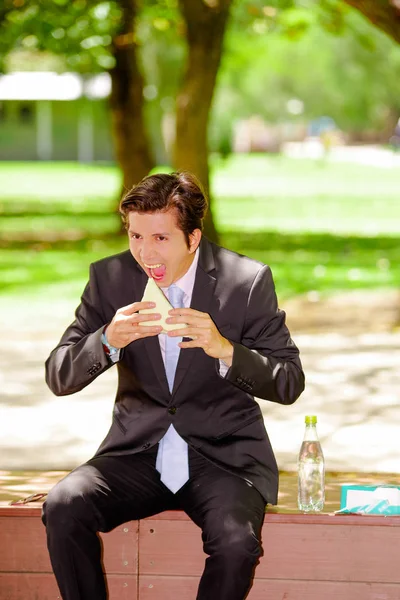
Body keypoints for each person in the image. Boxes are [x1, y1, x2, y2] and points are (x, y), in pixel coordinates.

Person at [42, 171, 305, 600]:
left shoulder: (246, 281)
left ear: (193, 238)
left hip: (224, 457)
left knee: (237, 543)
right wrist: (108, 340)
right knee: (63, 506)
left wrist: (224, 349)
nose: (145, 253)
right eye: (135, 236)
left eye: (160, 238)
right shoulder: (109, 279)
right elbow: (58, 375)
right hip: (136, 452)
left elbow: (289, 381)